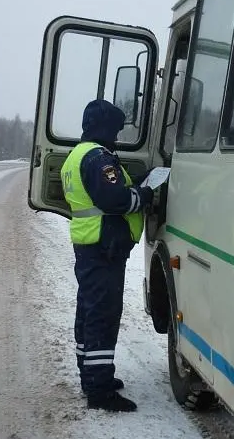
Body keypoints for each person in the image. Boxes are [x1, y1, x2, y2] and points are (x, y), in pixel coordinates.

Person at [61, 99, 155, 412]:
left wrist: (134, 186)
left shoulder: (76, 156)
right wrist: (144, 195)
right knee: (102, 315)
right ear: (104, 128)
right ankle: (100, 390)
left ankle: (91, 375)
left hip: (91, 246)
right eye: (115, 129)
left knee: (89, 311)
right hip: (104, 249)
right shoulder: (98, 158)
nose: (116, 135)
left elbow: (101, 195)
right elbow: (114, 199)